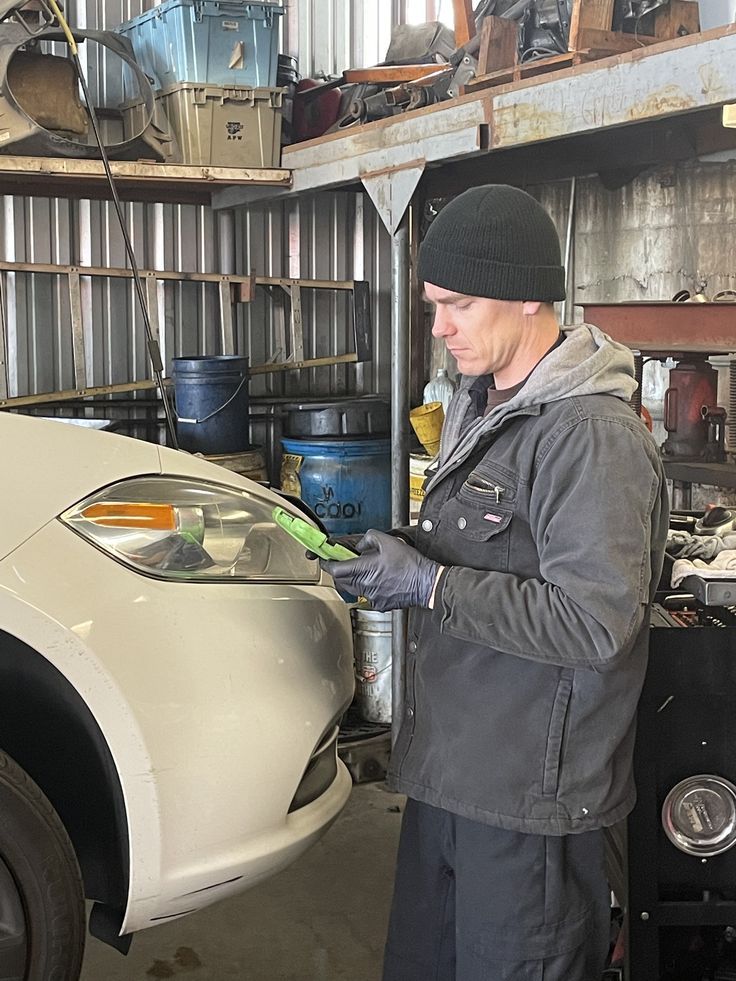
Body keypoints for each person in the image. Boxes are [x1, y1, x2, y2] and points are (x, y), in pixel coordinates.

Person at [323, 184, 669, 981]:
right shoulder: (485, 404)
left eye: (460, 305)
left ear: (523, 299)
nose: (438, 326)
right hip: (453, 776)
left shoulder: (589, 433)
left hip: (529, 808)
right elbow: (491, 549)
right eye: (433, 305)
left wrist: (433, 586)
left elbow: (594, 619)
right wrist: (402, 554)